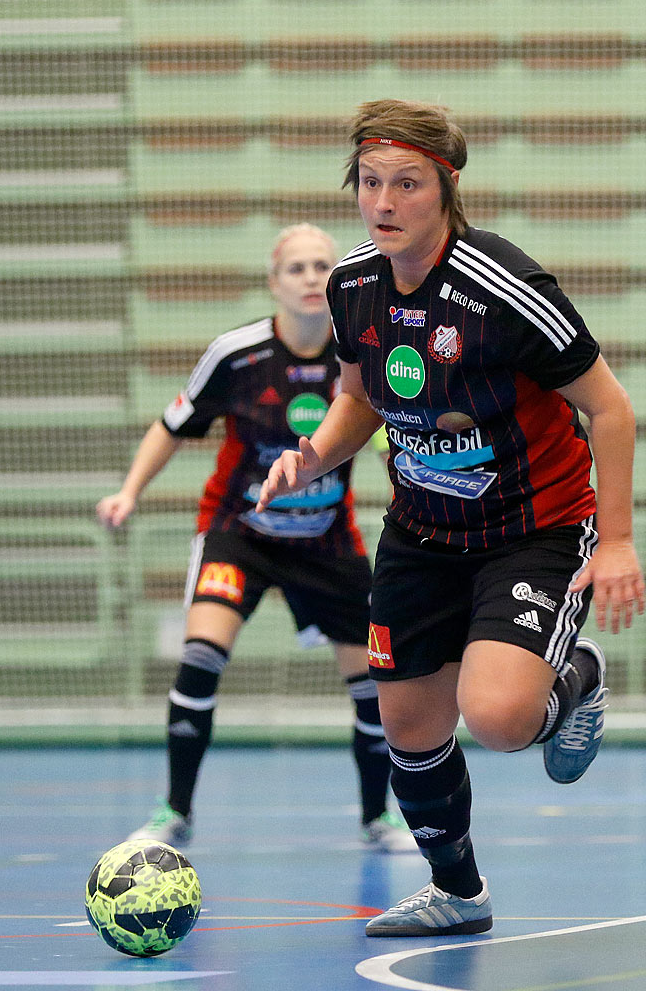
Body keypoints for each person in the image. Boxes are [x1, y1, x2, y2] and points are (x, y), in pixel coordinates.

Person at [259, 99, 645, 937]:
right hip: (421, 533)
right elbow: (358, 399)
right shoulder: (352, 286)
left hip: (534, 529)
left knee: (501, 719)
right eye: (370, 184)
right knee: (409, 724)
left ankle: (574, 677)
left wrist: (614, 541)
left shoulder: (503, 286)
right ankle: (458, 892)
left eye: (407, 184)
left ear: (447, 188)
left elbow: (610, 410)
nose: (384, 202)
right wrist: (314, 456)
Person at [96, 223, 415, 854]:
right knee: (201, 657)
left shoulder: (362, 357)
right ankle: (174, 811)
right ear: (274, 282)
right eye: (295, 267)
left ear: (339, 279)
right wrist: (129, 491)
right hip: (238, 535)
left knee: (375, 684)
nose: (309, 277)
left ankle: (378, 817)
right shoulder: (237, 355)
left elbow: (388, 435)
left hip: (325, 542)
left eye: (322, 265)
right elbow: (172, 423)